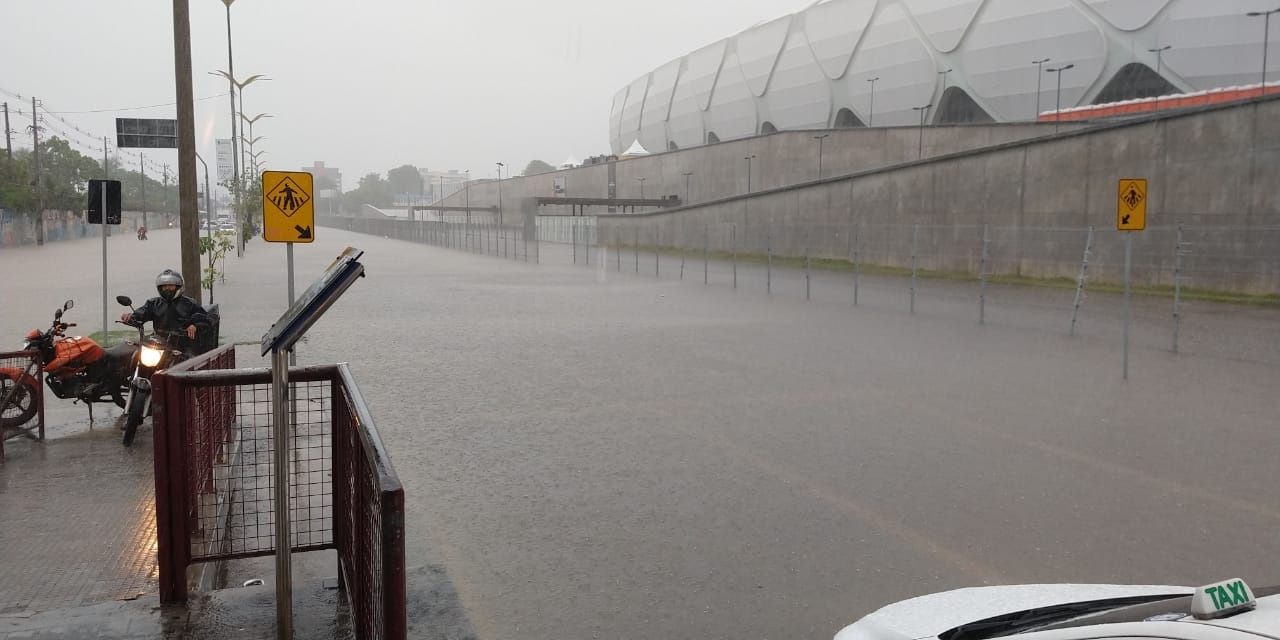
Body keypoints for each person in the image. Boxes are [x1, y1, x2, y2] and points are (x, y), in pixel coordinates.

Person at [120, 269, 208, 352]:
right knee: (135, 355)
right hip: (159, 342)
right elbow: (142, 313)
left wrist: (194, 325)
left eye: (170, 286)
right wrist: (130, 317)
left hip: (184, 345)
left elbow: (204, 318)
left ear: (178, 287)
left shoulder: (189, 303)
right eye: (164, 286)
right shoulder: (154, 303)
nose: (167, 288)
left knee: (190, 360)